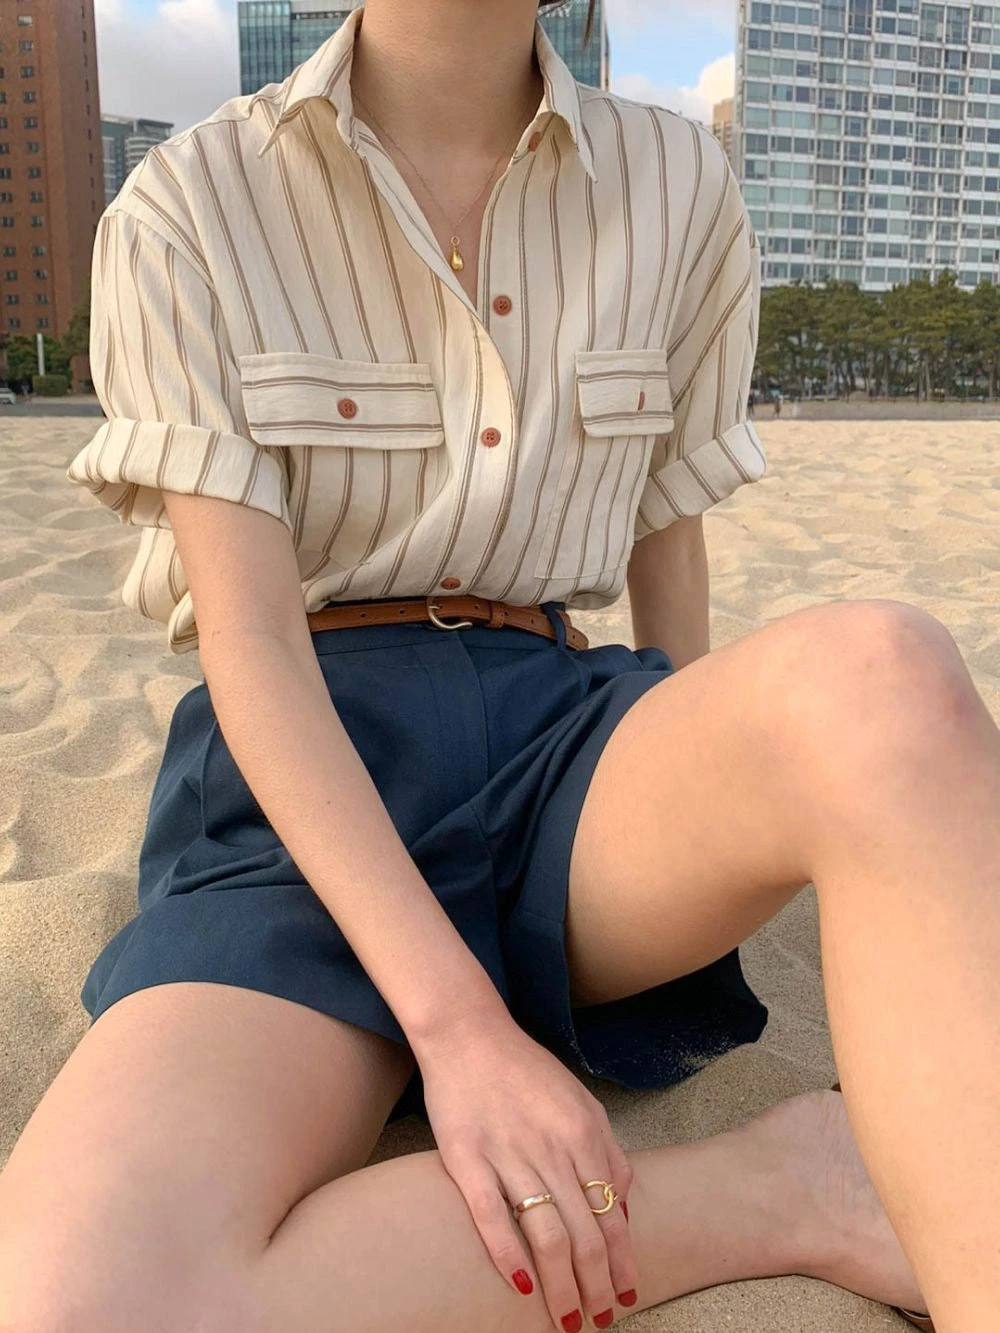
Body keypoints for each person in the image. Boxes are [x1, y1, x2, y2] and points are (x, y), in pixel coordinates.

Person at [5, 2, 998, 1329]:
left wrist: (707, 828)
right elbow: (253, 640)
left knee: (884, 678)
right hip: (310, 767)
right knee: (80, 1295)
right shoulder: (192, 201)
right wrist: (461, 1029)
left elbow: (667, 549)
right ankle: (789, 1189)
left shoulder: (677, 182)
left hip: (565, 736)